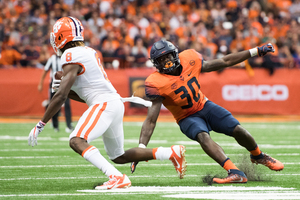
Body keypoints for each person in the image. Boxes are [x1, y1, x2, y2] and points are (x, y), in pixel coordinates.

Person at [28, 17, 187, 190]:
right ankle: (171, 153)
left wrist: (41, 124)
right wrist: (66, 90)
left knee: (76, 140)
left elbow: (61, 97)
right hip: (113, 103)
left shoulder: (70, 54)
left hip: (105, 104)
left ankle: (116, 177)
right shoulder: (87, 51)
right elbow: (85, 95)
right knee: (118, 156)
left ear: (61, 36)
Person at [132, 39, 284, 184]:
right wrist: (141, 149)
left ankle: (258, 156)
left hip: (205, 105)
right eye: (161, 59)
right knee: (203, 136)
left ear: (175, 54)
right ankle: (235, 172)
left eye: (168, 56)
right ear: (156, 63)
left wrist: (255, 51)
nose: (166, 61)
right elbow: (151, 120)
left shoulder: (189, 58)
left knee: (238, 129)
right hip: (186, 117)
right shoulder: (155, 82)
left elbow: (225, 61)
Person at [38, 54, 73, 133]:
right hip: (54, 84)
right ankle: (55, 125)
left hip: (65, 84)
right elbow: (45, 70)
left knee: (67, 105)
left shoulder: (67, 58)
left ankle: (69, 125)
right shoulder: (52, 59)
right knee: (54, 104)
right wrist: (40, 83)